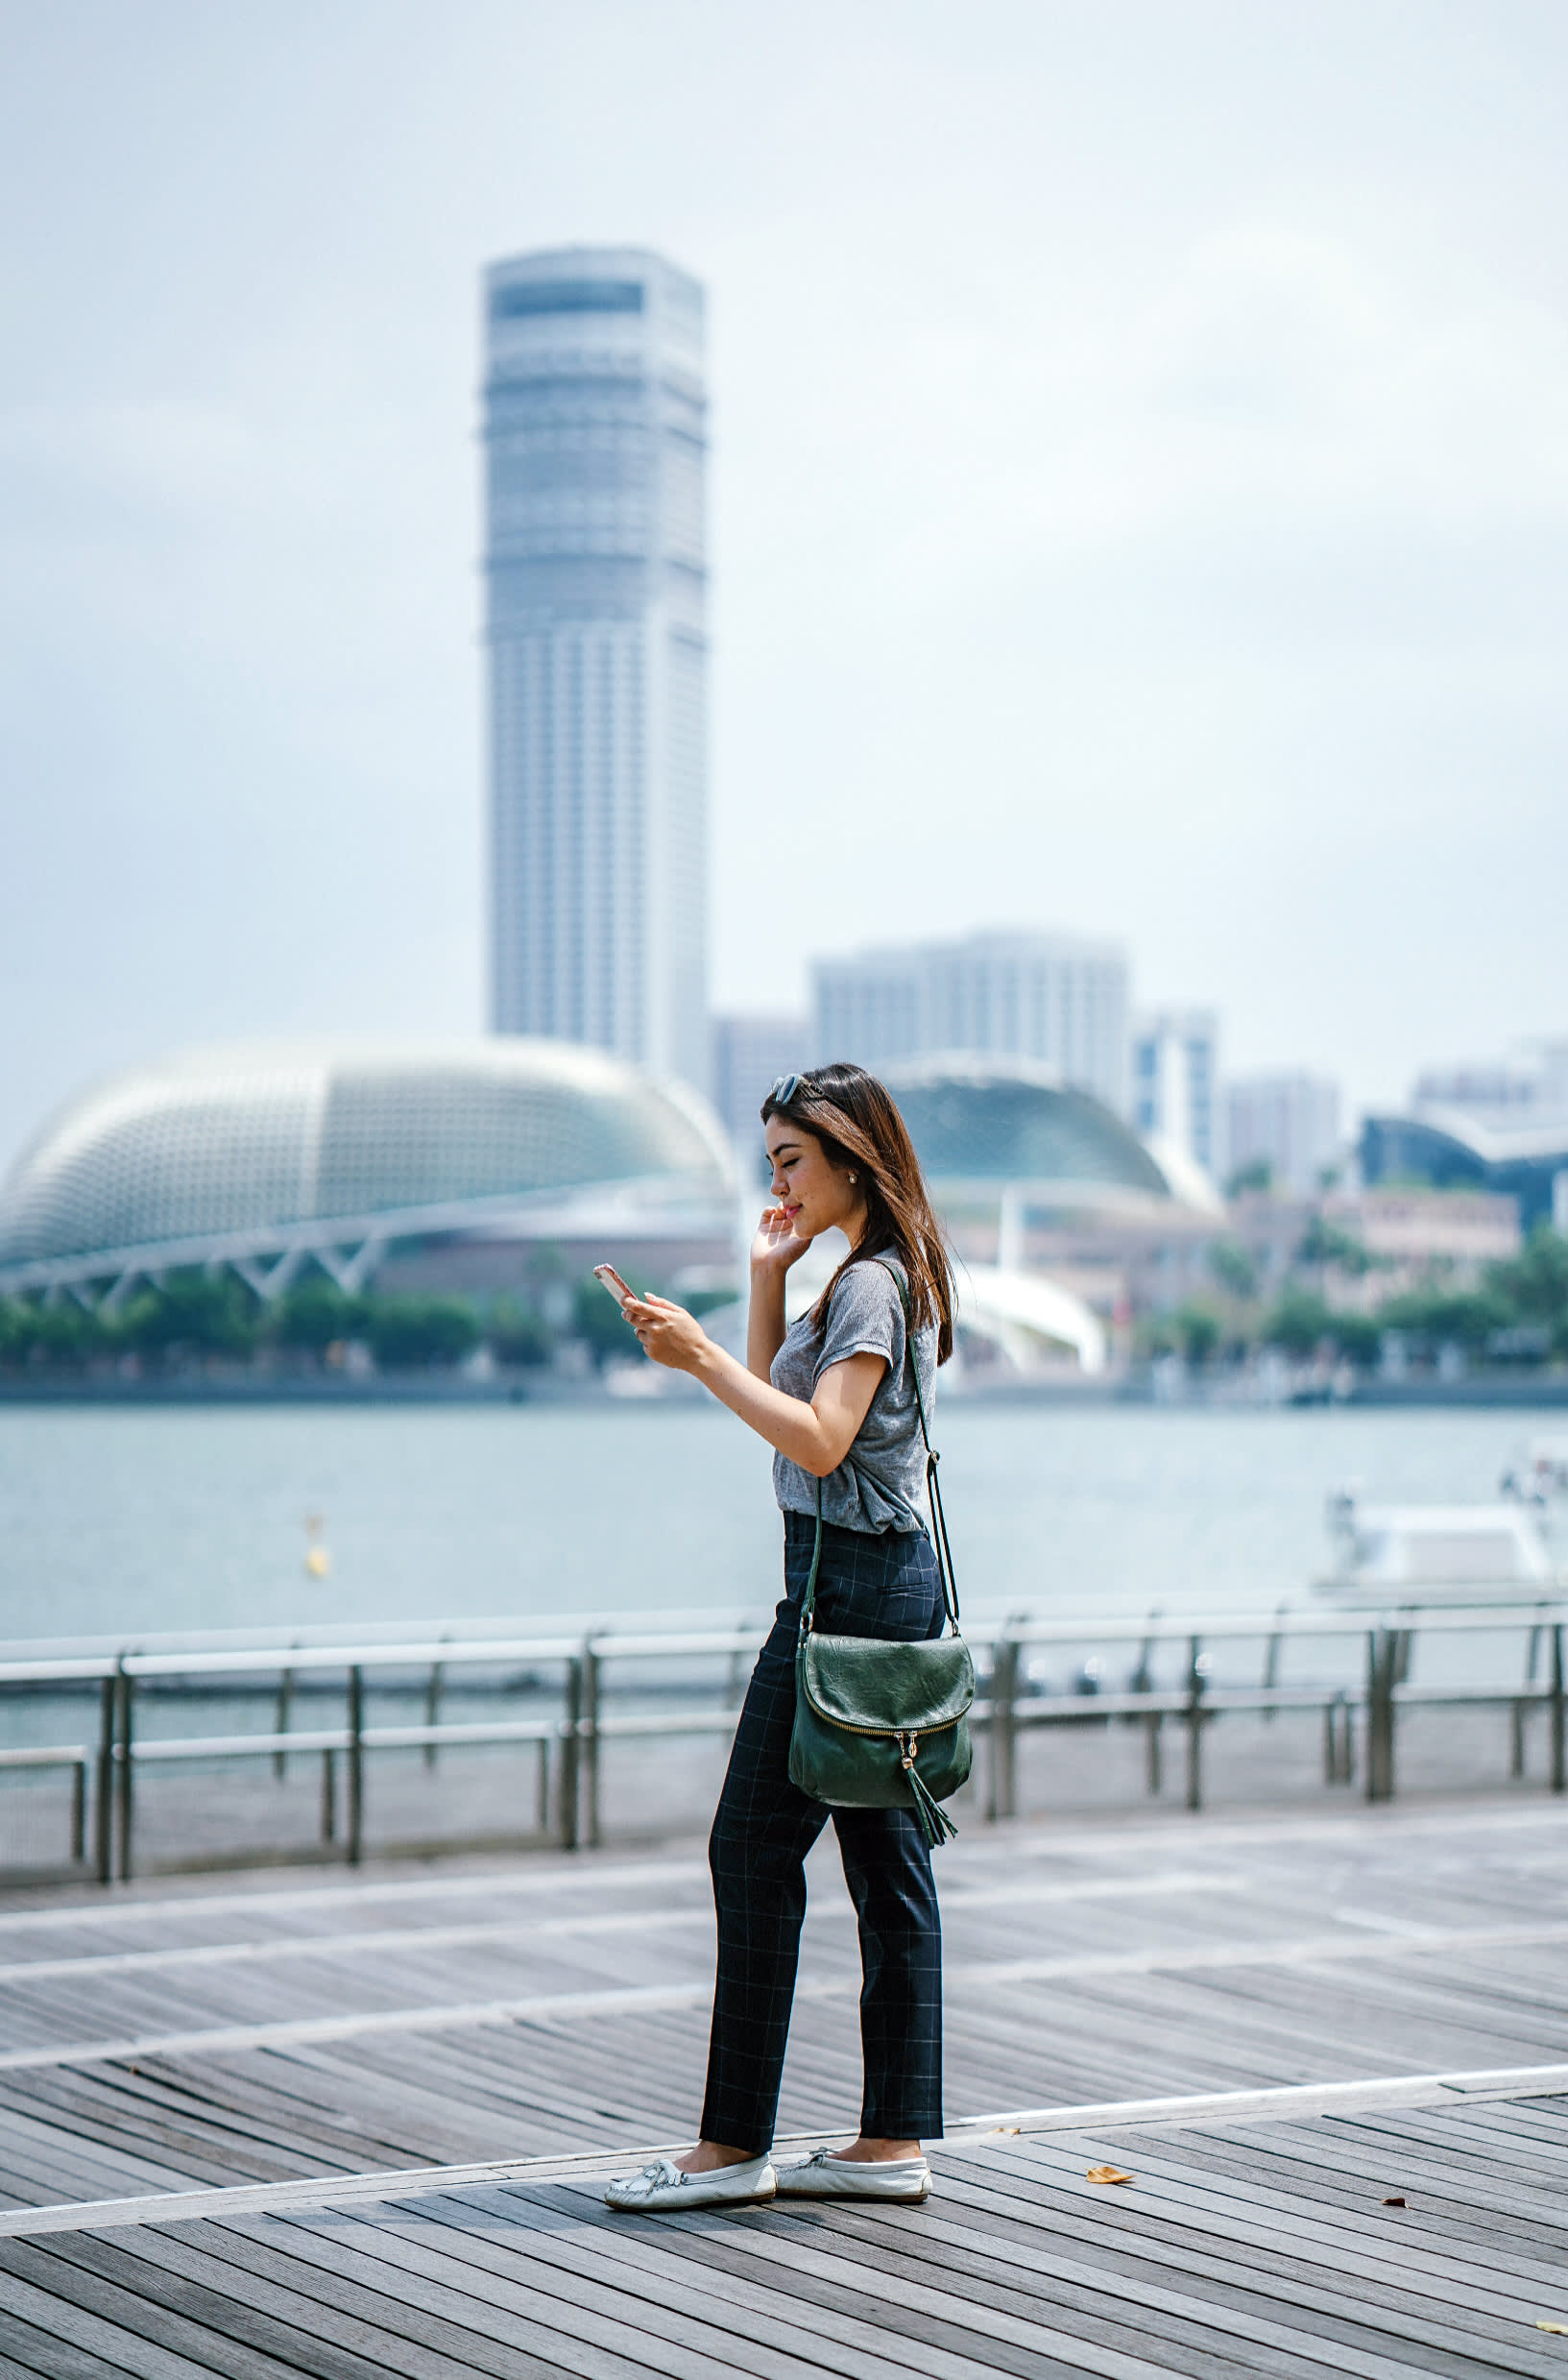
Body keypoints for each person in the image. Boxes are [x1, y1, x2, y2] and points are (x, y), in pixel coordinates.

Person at [604, 1062, 955, 2213]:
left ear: (854, 1158)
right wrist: (764, 1280)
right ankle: (890, 2141)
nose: (780, 1182)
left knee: (751, 1850)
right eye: (770, 1166)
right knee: (879, 1870)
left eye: (792, 1162)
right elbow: (782, 1407)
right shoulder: (853, 1280)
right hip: (857, 1585)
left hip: (848, 1591)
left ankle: (732, 2146)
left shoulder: (872, 1287)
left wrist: (700, 1357)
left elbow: (818, 1444)